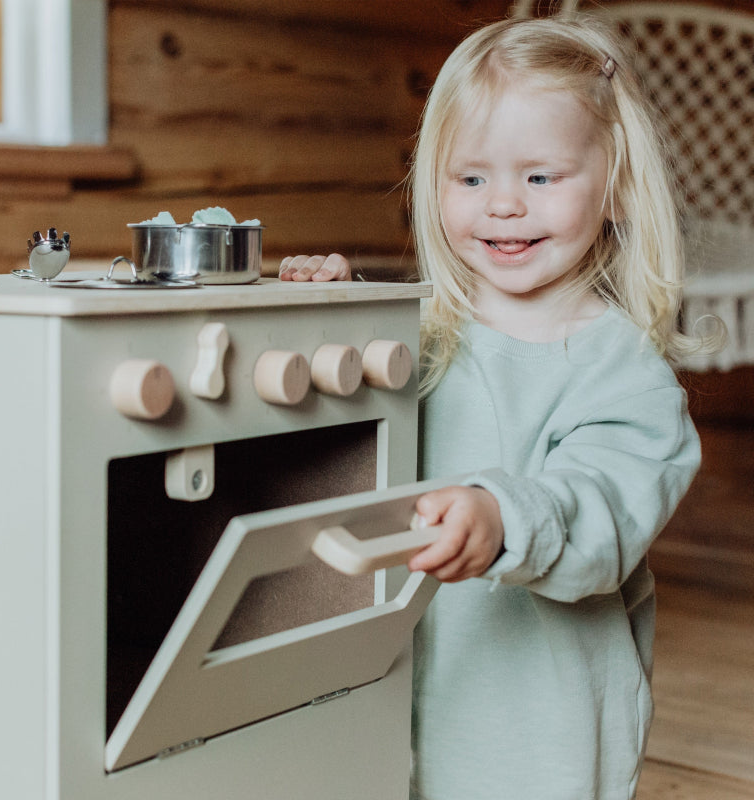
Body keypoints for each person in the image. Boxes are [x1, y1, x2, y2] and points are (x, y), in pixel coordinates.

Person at [280, 14, 721, 800]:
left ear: (617, 188)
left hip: (534, 735)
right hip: (388, 701)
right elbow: (343, 442)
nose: (504, 205)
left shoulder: (626, 376)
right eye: (472, 178)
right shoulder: (417, 335)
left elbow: (597, 512)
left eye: (541, 177)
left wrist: (501, 515)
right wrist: (328, 323)